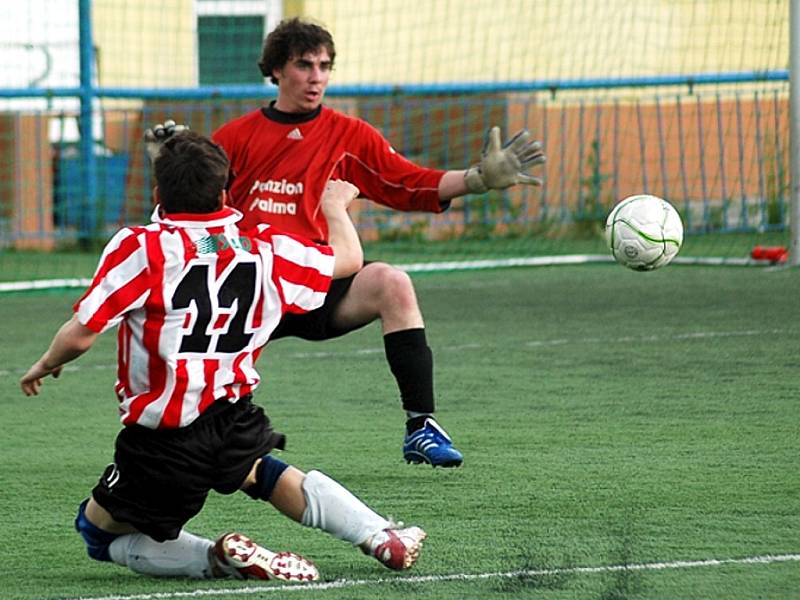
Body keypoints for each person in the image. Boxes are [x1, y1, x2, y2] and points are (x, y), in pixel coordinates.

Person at [19, 131, 426, 583]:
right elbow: (348, 259)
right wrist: (334, 207)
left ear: (157, 194)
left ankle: (216, 558)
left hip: (163, 437)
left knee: (97, 533)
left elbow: (81, 335)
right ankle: (379, 535)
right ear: (227, 193)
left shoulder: (142, 248)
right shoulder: (261, 247)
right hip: (233, 413)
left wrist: (46, 362)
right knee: (265, 474)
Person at [149, 17, 545, 469]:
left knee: (392, 283)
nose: (316, 76)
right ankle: (185, 434)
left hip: (321, 280)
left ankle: (421, 426)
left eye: (324, 65)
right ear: (276, 70)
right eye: (304, 65)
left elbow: (407, 183)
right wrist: (167, 168)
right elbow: (193, 204)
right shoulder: (237, 137)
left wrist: (476, 180)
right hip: (256, 289)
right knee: (204, 393)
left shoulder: (349, 135)